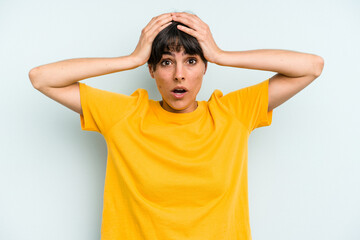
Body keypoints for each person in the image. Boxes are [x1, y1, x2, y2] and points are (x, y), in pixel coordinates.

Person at [29, 12, 324, 240]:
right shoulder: (125, 115)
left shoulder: (232, 113)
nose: (179, 75)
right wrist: (130, 58)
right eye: (167, 62)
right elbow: (41, 77)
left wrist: (221, 55)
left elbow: (311, 67)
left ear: (205, 67)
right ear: (152, 70)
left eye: (192, 61)